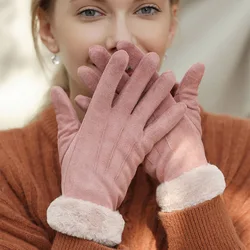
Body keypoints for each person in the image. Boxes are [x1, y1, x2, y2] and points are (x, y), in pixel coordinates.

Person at [0, 0, 249, 249]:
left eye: (146, 9)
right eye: (90, 12)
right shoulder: (7, 169)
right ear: (47, 30)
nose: (120, 40)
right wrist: (86, 212)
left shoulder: (242, 149)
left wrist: (193, 187)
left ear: (171, 24)